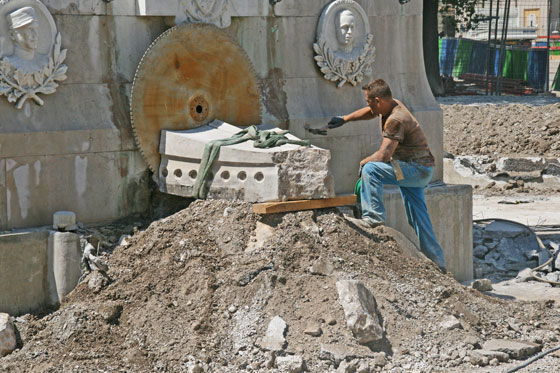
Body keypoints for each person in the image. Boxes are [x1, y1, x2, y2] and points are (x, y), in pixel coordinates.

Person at [328, 78, 446, 271]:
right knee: (418, 217)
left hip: (416, 170)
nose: (367, 105)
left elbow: (384, 155)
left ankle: (373, 217)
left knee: (371, 169)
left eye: (368, 101)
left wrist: (364, 162)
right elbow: (370, 113)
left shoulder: (395, 120)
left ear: (378, 100)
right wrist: (345, 119)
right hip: (417, 167)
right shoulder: (391, 104)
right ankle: (437, 262)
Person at [5, 6, 47, 73]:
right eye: (30, 29)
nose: (36, 34)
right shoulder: (6, 63)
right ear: (12, 34)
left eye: (36, 29)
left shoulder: (44, 60)